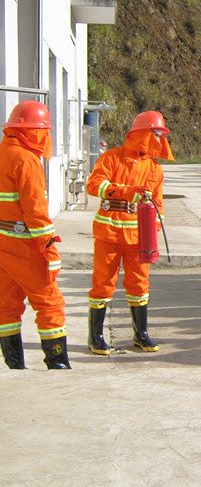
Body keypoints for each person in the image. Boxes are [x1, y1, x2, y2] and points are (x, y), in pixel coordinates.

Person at [86, 111, 175, 355]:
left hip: (139, 237)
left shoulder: (154, 169)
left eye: (161, 135)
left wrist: (154, 234)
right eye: (155, 134)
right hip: (109, 233)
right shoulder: (111, 157)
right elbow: (94, 186)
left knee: (139, 284)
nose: (159, 139)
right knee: (103, 285)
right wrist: (127, 192)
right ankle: (95, 336)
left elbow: (158, 205)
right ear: (142, 134)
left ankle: (140, 334)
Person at [0, 101, 70, 369]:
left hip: (3, 244)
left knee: (6, 305)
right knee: (50, 303)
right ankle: (57, 363)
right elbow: (36, 213)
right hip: (25, 247)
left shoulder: (3, 152)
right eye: (42, 131)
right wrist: (49, 250)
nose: (45, 137)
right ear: (31, 132)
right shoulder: (26, 160)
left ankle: (14, 364)